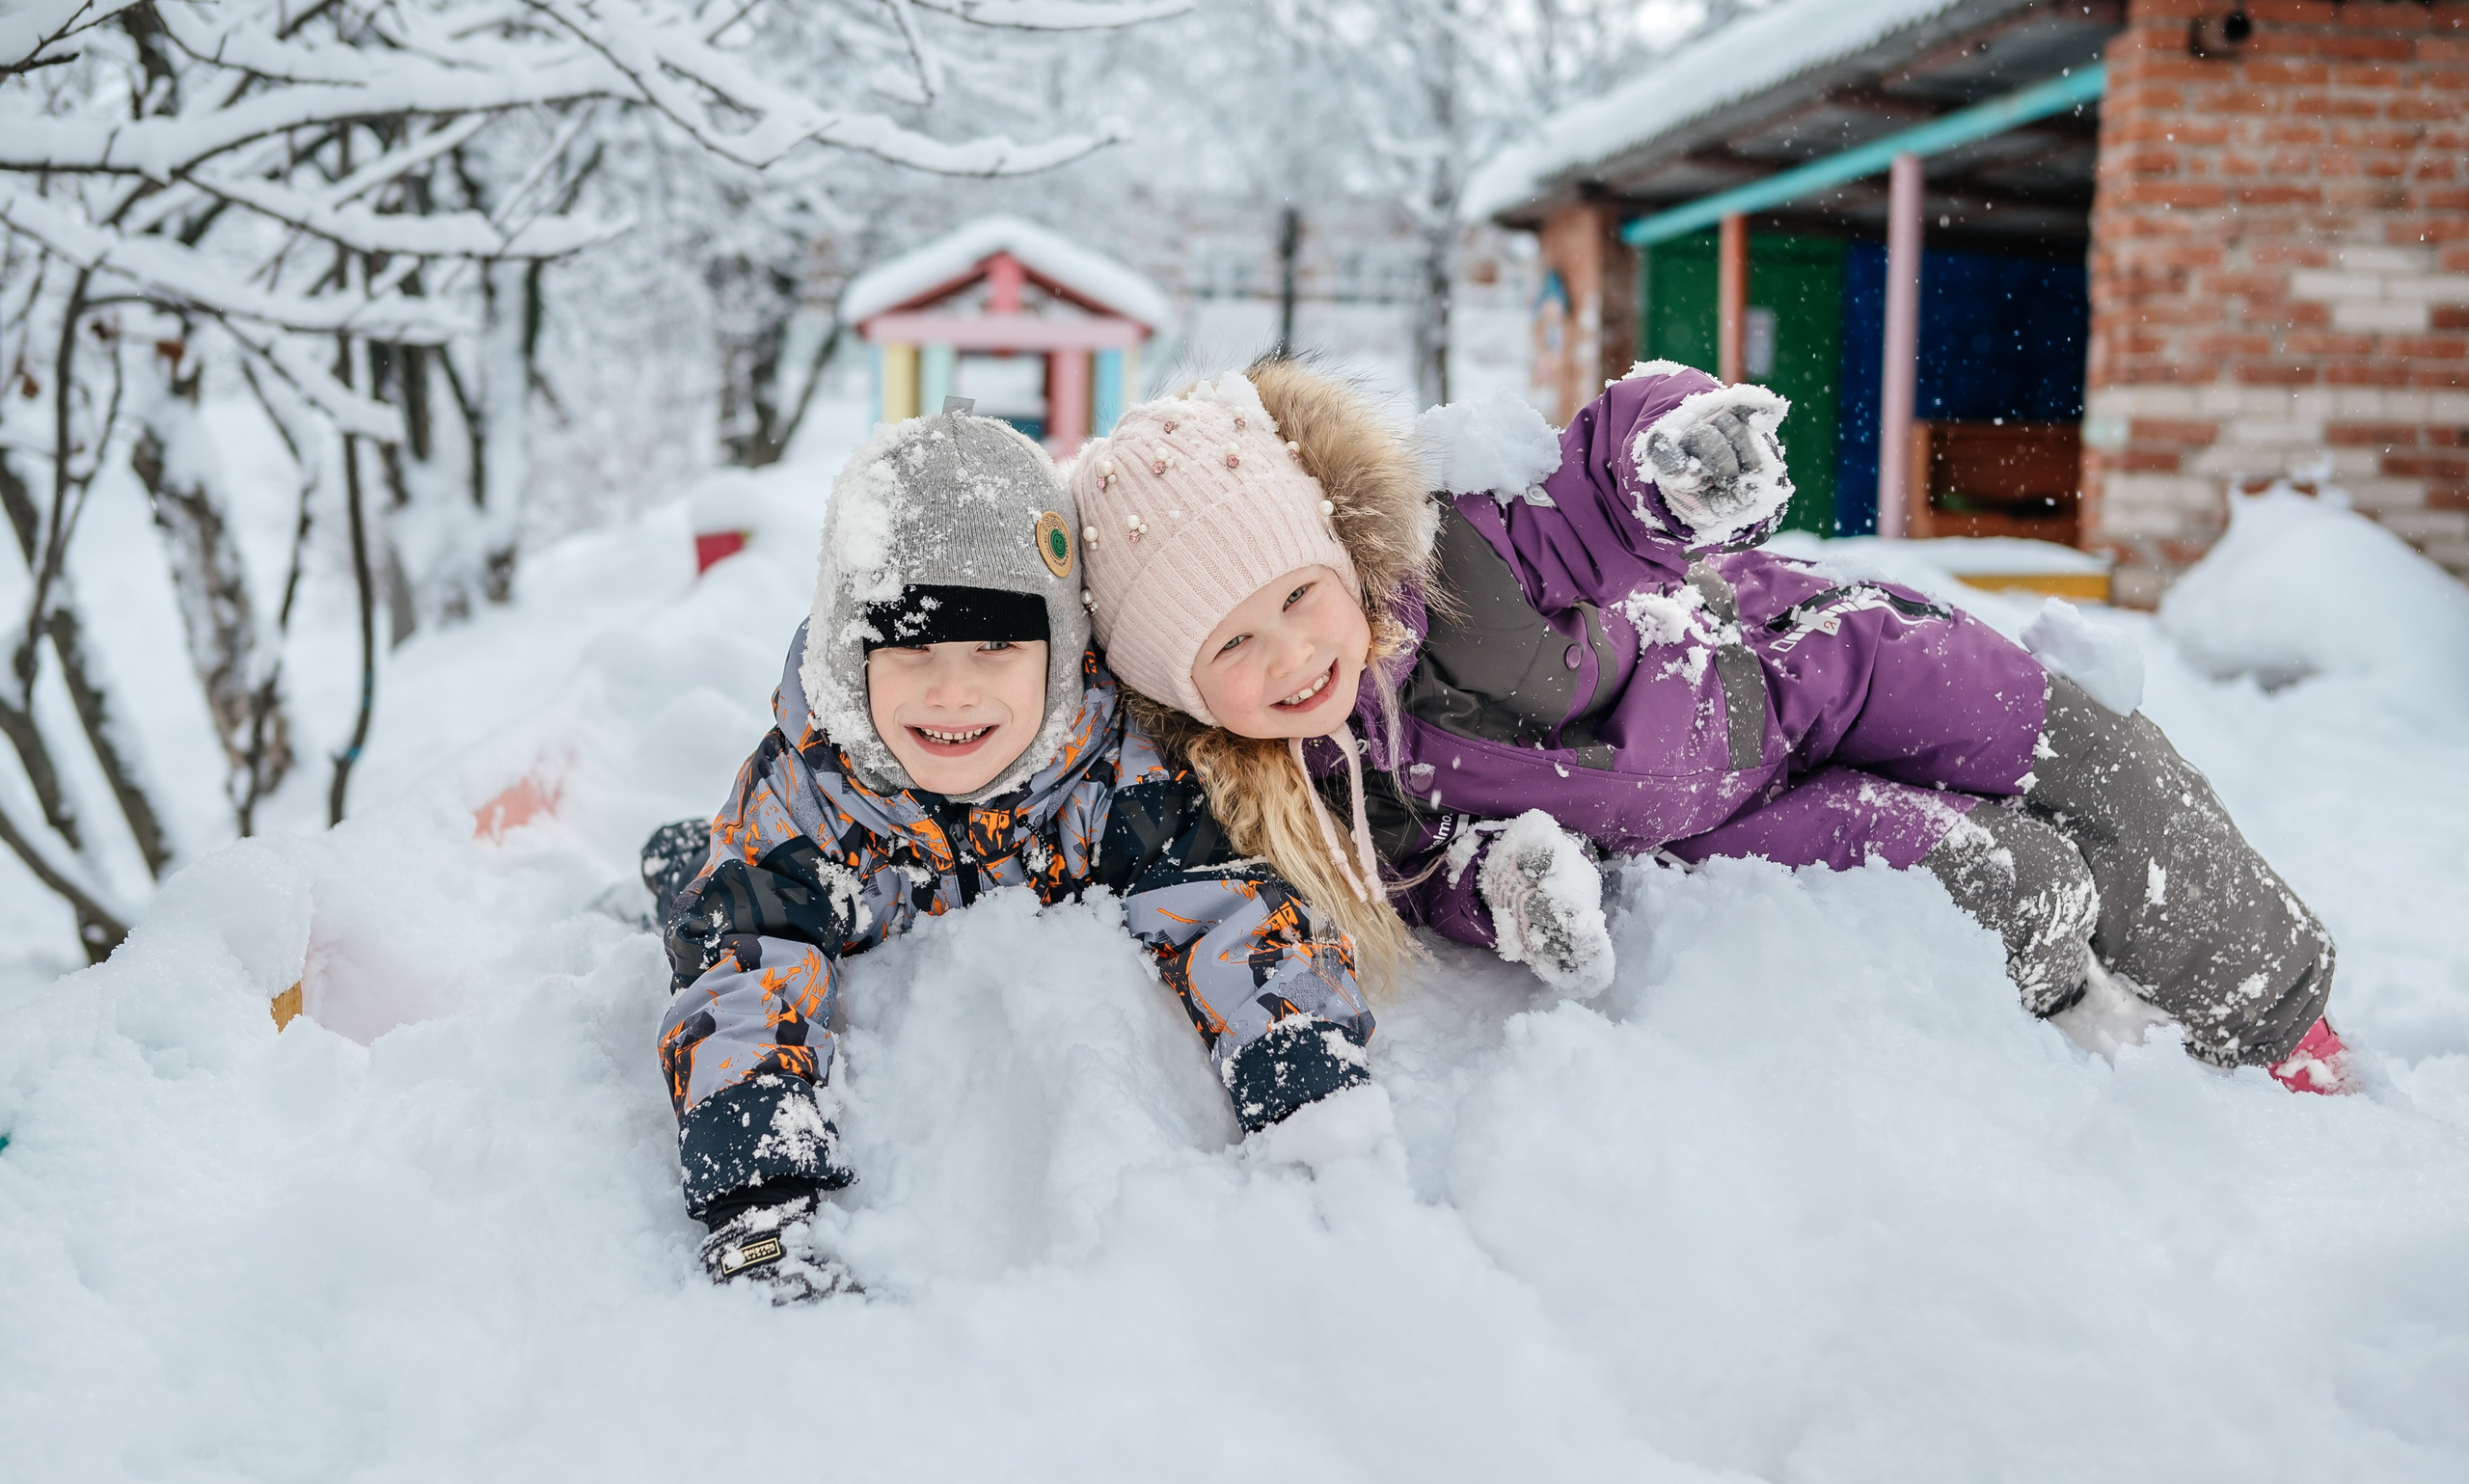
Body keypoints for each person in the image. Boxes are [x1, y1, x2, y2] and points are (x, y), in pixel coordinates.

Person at [1066, 356, 2352, 1096]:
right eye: (1234, 646)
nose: (1293, 653)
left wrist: (1670, 458)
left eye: (1298, 596)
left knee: (2082, 755)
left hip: (1794, 662)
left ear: (1336, 549)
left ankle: (2282, 1018)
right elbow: (1424, 875)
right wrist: (1508, 889)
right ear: (1181, 684)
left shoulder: (1456, 543)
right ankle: (2091, 1041)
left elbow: (1587, 493)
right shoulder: (1317, 787)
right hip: (1713, 815)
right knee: (1998, 874)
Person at [653, 406, 1384, 1303]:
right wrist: (758, 1187)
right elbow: (746, 959)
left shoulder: (1112, 772)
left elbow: (1226, 905)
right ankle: (680, 860)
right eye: (913, 643)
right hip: (809, 872)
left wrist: (1300, 1073)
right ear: (853, 655)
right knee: (710, 899)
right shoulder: (809, 796)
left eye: (998, 643)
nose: (953, 688)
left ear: (1060, 649)